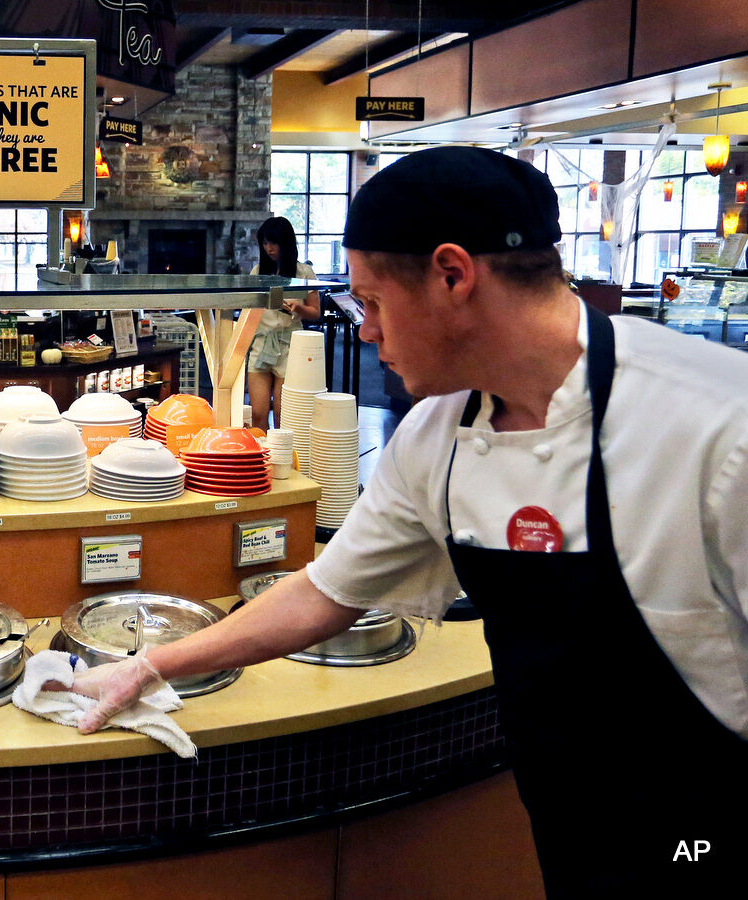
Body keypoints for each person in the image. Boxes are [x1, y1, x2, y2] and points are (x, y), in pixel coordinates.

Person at [62, 147, 748, 894]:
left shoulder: (718, 423)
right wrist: (149, 665)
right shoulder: (438, 436)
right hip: (574, 820)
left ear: (453, 276)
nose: (364, 332)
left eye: (374, 303)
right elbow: (325, 593)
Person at [247, 216, 321, 430]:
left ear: (285, 243)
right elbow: (249, 309)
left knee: (284, 414)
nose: (268, 248)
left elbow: (316, 312)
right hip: (261, 344)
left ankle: (283, 461)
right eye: (265, 243)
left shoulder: (304, 273)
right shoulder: (258, 271)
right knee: (258, 413)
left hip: (291, 347)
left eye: (273, 243)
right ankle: (260, 460)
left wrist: (298, 308)